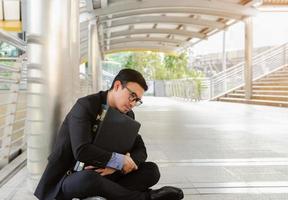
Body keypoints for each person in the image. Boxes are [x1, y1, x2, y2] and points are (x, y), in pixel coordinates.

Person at [34, 69, 184, 200]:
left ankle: (110, 195)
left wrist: (119, 165)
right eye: (132, 96)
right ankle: (146, 197)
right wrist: (118, 161)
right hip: (72, 176)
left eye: (137, 100)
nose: (132, 103)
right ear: (117, 86)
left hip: (108, 176)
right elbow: (82, 150)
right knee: (89, 180)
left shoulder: (128, 115)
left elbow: (140, 149)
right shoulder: (85, 106)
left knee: (151, 171)